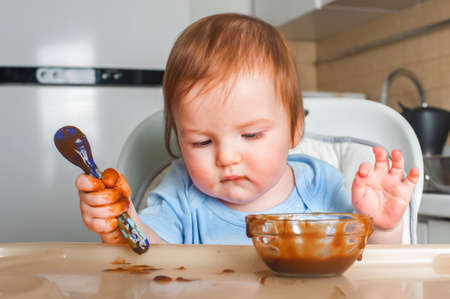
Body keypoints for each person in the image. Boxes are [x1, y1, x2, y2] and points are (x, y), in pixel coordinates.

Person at [75, 13, 419, 245]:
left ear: (295, 129)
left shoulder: (322, 188)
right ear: (178, 138)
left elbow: (369, 267)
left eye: (251, 135)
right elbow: (154, 257)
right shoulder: (180, 194)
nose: (226, 157)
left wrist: (383, 229)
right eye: (202, 141)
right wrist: (127, 224)